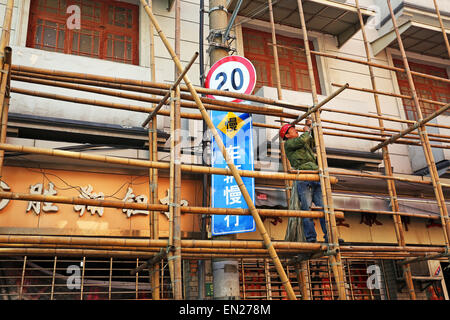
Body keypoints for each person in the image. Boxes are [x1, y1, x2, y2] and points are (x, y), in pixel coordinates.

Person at [279, 119, 328, 243]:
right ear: (287, 135)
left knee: (324, 208)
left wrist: (311, 128)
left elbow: (313, 141)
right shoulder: (289, 144)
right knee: (306, 209)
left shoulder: (302, 141)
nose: (295, 130)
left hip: (315, 174)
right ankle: (311, 238)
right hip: (303, 175)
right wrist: (306, 131)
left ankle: (329, 236)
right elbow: (303, 139)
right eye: (292, 130)